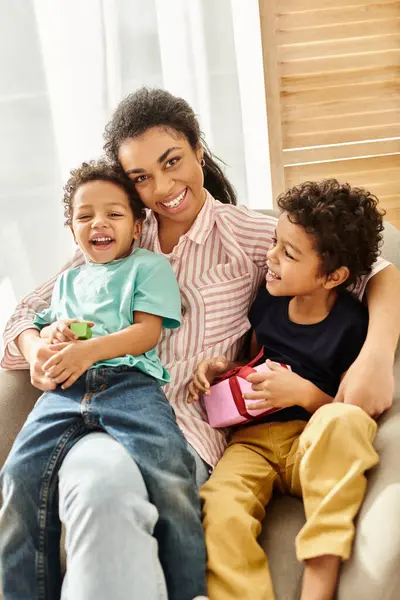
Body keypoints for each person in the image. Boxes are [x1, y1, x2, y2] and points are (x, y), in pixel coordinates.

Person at [1, 88, 399, 599]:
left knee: (106, 492)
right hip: (95, 417)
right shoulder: (117, 235)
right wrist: (39, 350)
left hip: (185, 439)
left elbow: (378, 271)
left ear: (198, 149)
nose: (163, 187)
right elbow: (28, 312)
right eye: (141, 178)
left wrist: (376, 356)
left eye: (172, 162)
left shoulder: (253, 239)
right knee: (99, 485)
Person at [0, 160, 207, 600]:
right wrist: (52, 338)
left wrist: (86, 350)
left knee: (170, 473)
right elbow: (49, 325)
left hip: (129, 386)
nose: (99, 223)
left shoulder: (149, 267)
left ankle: (190, 590)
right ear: (72, 228)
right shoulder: (67, 281)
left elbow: (146, 332)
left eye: (114, 214)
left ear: (136, 226)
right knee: (17, 477)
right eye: (85, 215)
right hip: (64, 393)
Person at [189, 180, 386, 600]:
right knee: (220, 508)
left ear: (333, 276)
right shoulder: (268, 300)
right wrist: (223, 368)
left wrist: (304, 394)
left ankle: (320, 580)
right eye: (275, 242)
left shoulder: (352, 325)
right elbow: (254, 358)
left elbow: (350, 411)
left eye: (288, 253)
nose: (270, 257)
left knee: (344, 422)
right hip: (253, 441)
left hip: (310, 439)